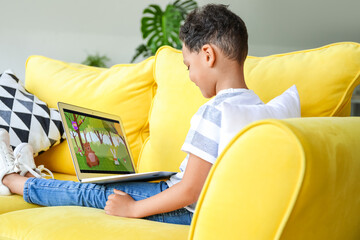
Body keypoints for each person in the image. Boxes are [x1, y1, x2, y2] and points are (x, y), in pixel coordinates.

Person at [0, 4, 262, 225]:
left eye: (188, 66)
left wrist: (133, 210)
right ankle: (29, 174)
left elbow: (190, 190)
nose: (190, 76)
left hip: (184, 210)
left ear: (207, 55)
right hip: (201, 206)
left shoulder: (215, 110)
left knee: (90, 193)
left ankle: (11, 179)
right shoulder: (256, 106)